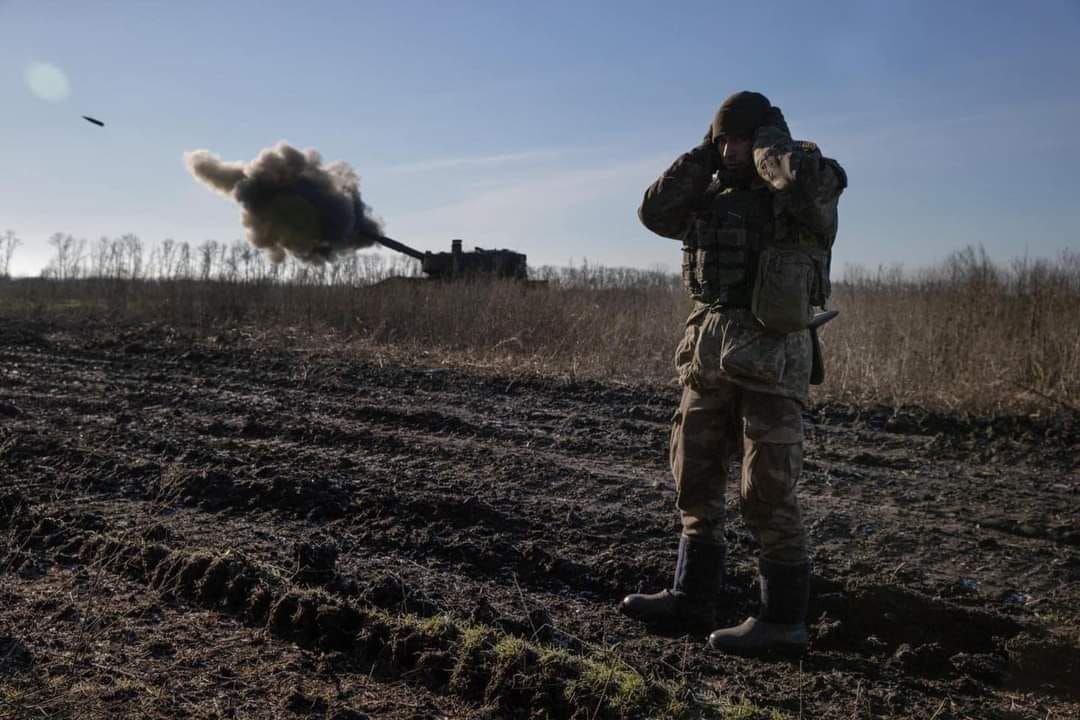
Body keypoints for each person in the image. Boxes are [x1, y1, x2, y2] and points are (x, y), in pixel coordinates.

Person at [622, 91, 846, 655]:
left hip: (772, 358)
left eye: (738, 139)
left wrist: (772, 144)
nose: (728, 149)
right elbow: (653, 213)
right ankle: (691, 599)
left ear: (766, 137)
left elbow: (801, 187)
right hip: (708, 349)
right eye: (720, 138)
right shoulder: (711, 191)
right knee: (694, 478)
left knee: (766, 489)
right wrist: (705, 154)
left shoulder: (808, 181)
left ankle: (783, 621)